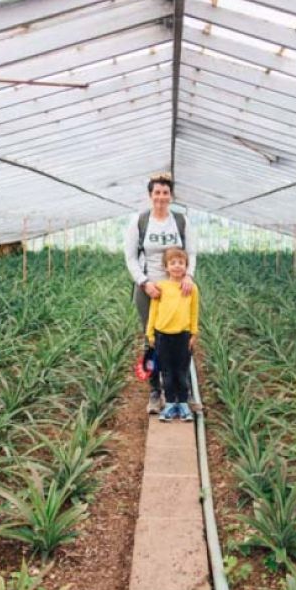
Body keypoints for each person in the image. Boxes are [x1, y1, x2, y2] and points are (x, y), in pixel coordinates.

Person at [124, 173, 197, 414]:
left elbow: (192, 253)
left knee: (182, 338)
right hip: (150, 290)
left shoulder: (181, 221)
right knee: (153, 338)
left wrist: (188, 276)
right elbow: (131, 257)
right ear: (150, 195)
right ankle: (156, 391)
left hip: (178, 289)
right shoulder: (140, 221)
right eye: (157, 192)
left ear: (171, 196)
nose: (161, 197)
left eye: (165, 193)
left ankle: (183, 392)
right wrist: (144, 282)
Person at [146, 247, 199, 422]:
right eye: (173, 263)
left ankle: (183, 403)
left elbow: (194, 312)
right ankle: (169, 403)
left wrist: (193, 333)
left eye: (181, 263)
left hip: (183, 335)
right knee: (167, 372)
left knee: (182, 371)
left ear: (186, 266)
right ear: (166, 267)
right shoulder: (160, 287)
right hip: (163, 336)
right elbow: (153, 311)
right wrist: (150, 334)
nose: (177, 266)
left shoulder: (191, 288)